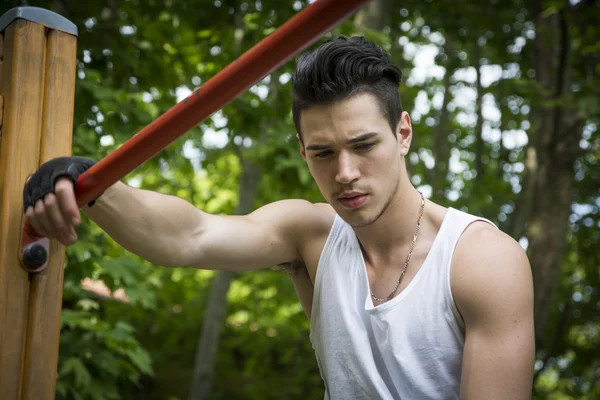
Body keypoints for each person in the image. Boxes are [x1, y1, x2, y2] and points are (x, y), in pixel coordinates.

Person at [23, 35, 535, 399]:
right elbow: (188, 236)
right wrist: (87, 183)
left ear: (403, 133)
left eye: (364, 145)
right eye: (323, 153)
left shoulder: (482, 261)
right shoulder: (309, 233)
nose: (346, 173)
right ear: (302, 150)